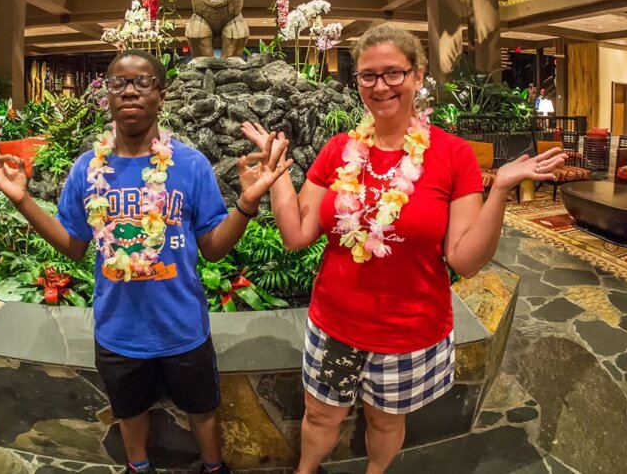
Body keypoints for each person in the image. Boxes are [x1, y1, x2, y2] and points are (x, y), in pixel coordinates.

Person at [241, 25, 566, 474]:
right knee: (320, 415)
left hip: (408, 330)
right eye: (367, 75)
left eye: (393, 72)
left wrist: (502, 190)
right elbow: (297, 235)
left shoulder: (453, 156)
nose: (381, 86)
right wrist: (275, 176)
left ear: (417, 75)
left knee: (385, 421)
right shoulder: (338, 150)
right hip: (335, 321)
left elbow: (465, 261)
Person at [0, 49, 291, 474]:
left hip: (183, 328)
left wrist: (247, 204)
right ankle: (137, 467)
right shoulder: (87, 168)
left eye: (142, 82)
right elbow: (73, 245)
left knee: (202, 411)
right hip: (118, 331)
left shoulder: (191, 164)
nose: (129, 90)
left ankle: (214, 468)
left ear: (161, 95)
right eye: (118, 82)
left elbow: (214, 248)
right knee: (129, 411)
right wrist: (21, 200)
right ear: (107, 95)